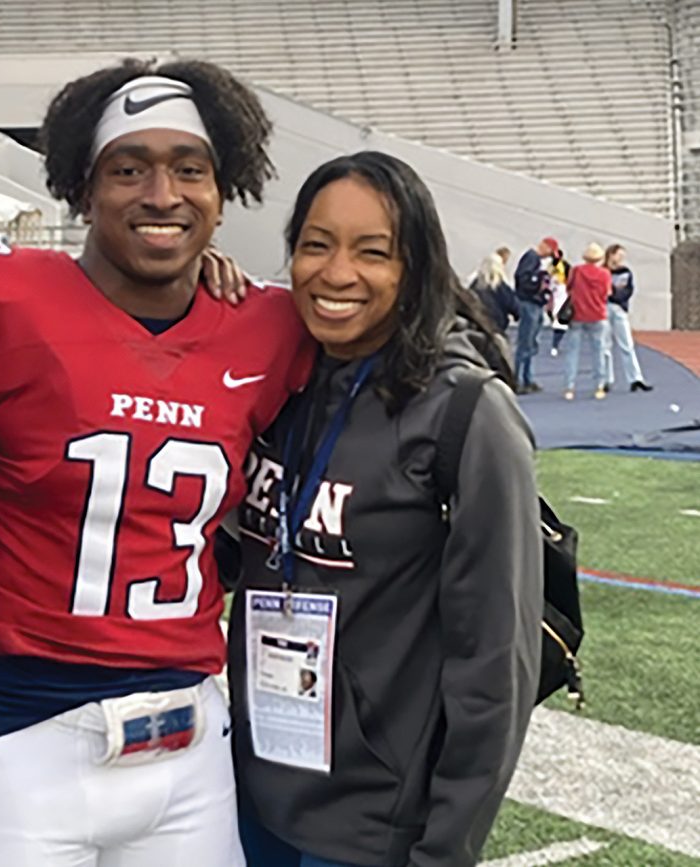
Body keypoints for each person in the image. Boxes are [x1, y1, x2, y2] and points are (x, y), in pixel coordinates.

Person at [0, 60, 313, 866]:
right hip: (23, 742)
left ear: (223, 189)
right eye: (129, 169)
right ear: (83, 189)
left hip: (192, 742)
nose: (162, 194)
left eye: (189, 170)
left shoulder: (271, 325)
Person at [229, 152, 542, 867]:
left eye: (373, 252)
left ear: (417, 267)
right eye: (316, 244)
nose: (336, 274)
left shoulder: (466, 412)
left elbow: (495, 661)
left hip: (375, 825)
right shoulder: (277, 382)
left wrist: (447, 846)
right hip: (247, 790)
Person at [561, 242, 613, 400]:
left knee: (572, 352)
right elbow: (607, 294)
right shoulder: (604, 274)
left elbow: (568, 287)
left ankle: (569, 387)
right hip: (597, 315)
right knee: (598, 351)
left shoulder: (577, 271)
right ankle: (599, 386)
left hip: (577, 315)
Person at [602, 243, 653, 393]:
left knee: (627, 344)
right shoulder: (602, 271)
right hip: (603, 309)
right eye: (619, 255)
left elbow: (627, 291)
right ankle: (606, 379)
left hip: (619, 308)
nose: (621, 259)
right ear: (611, 254)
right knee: (605, 345)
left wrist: (614, 295)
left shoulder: (626, 272)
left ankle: (635, 378)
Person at [511, 235, 557, 393]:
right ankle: (517, 379)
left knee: (531, 343)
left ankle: (526, 378)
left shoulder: (535, 260)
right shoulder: (531, 258)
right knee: (525, 342)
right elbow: (522, 279)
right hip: (529, 303)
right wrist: (537, 285)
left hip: (534, 304)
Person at [468, 251, 518, 331]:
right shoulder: (501, 286)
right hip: (496, 326)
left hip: (477, 325)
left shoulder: (474, 285)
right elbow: (514, 306)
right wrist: (517, 316)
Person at [547, 246, 570, 355]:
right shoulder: (550, 266)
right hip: (553, 293)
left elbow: (569, 278)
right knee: (552, 313)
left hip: (562, 292)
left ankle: (556, 343)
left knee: (560, 316)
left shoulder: (565, 265)